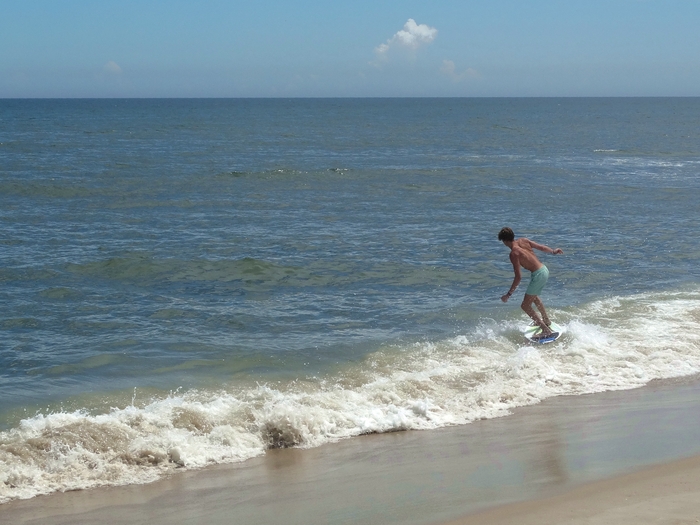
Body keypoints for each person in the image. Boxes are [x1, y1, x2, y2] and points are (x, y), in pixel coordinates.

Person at [498, 227, 563, 338]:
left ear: (505, 241)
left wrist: (508, 295)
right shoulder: (523, 240)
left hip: (538, 275)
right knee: (534, 297)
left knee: (525, 305)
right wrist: (553, 251)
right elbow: (541, 247)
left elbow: (518, 277)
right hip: (544, 270)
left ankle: (545, 330)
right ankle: (546, 320)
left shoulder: (514, 254)